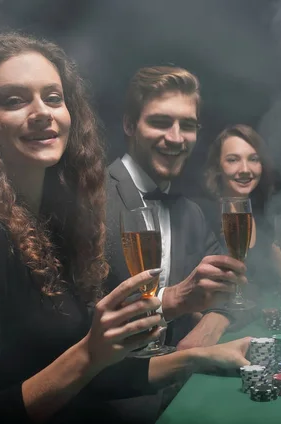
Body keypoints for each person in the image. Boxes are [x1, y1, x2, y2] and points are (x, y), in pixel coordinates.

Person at [0, 33, 251, 423]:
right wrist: (90, 353)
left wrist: (202, 358)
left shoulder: (46, 225)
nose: (42, 112)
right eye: (14, 100)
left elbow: (90, 376)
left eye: (53, 98)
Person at [105, 66, 247, 352]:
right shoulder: (89, 199)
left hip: (174, 384)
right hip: (109, 392)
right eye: (160, 122)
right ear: (130, 125)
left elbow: (235, 291)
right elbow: (73, 325)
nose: (176, 138)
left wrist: (206, 331)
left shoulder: (190, 214)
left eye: (187, 126)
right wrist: (174, 299)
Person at [200, 124, 281, 300]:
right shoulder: (202, 216)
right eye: (233, 160)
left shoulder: (267, 220)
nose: (245, 169)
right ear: (218, 167)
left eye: (253, 159)